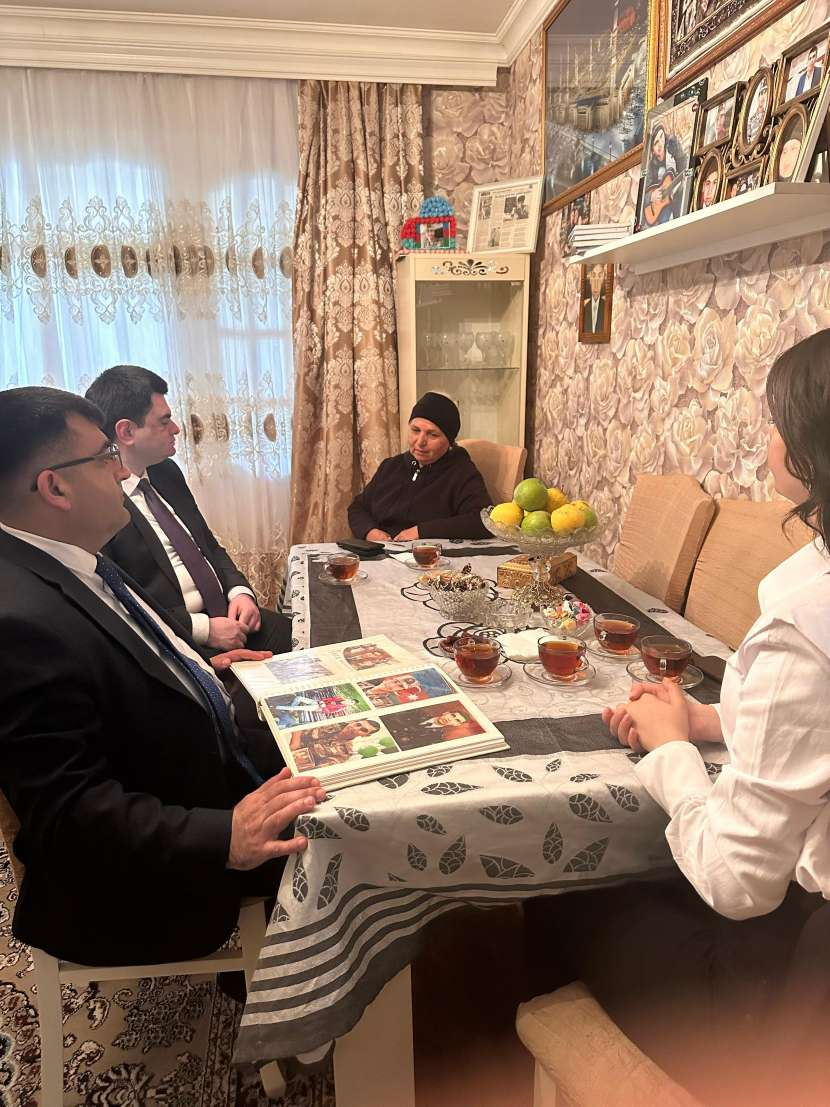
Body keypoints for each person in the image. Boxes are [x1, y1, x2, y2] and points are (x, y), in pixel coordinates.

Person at [545, 330, 830, 1106]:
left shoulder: (804, 627)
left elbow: (738, 882)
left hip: (781, 1000)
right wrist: (710, 721)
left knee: (566, 886)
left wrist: (671, 751)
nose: (768, 435)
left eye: (777, 421)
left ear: (812, 452)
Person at [0, 387, 325, 967]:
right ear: (55, 488)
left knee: (340, 722)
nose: (121, 469)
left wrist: (201, 666)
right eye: (105, 456)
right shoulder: (16, 621)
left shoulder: (66, 554)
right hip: (165, 852)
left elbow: (123, 655)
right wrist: (227, 836)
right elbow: (68, 810)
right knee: (352, 824)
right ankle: (302, 991)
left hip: (199, 754)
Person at [85, 365, 290, 656]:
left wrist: (240, 593)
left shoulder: (166, 472)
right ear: (127, 431)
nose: (176, 428)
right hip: (176, 642)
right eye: (164, 421)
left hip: (228, 616)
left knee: (313, 640)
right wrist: (203, 629)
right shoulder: (99, 501)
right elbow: (119, 602)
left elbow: (208, 546)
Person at [347, 392, 491, 542]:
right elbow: (358, 507)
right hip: (380, 549)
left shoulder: (461, 472)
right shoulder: (390, 466)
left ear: (449, 441)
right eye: (415, 430)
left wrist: (421, 531)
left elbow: (483, 521)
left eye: (432, 435)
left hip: (427, 553)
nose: (420, 442)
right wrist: (369, 531)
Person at [642, 122, 687, 227]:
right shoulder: (650, 166)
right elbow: (642, 194)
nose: (660, 144)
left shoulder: (672, 146)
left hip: (677, 194)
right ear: (652, 150)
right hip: (661, 205)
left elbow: (684, 167)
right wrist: (651, 196)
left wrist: (678, 153)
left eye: (662, 136)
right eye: (656, 143)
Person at [581, 263, 607, 333]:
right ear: (590, 279)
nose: (596, 281)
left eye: (600, 276)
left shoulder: (607, 306)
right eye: (593, 275)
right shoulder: (584, 306)